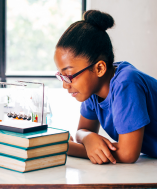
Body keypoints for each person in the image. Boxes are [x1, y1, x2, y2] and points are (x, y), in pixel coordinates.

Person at [54, 10, 157, 164]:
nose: (64, 85)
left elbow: (128, 154)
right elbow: (82, 131)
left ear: (99, 69)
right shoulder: (92, 90)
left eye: (69, 75)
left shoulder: (126, 84)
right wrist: (88, 138)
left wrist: (64, 147)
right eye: (61, 76)